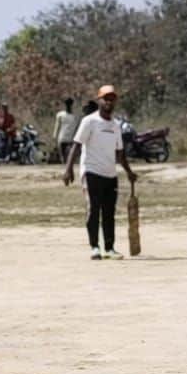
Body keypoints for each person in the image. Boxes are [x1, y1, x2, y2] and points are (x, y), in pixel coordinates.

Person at [62, 85, 139, 259]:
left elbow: (120, 153)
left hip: (110, 174)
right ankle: (95, 247)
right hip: (91, 171)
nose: (109, 102)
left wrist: (129, 172)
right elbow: (77, 145)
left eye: (112, 99)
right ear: (99, 100)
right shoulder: (89, 121)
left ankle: (110, 248)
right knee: (94, 209)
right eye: (106, 98)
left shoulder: (115, 125)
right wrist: (68, 169)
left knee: (109, 211)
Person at [53, 97, 78, 163]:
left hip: (70, 139)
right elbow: (57, 126)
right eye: (67, 104)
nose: (68, 105)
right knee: (63, 157)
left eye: (69, 104)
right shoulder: (60, 115)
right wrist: (55, 135)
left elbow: (76, 129)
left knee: (69, 156)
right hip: (62, 138)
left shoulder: (74, 117)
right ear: (65, 105)